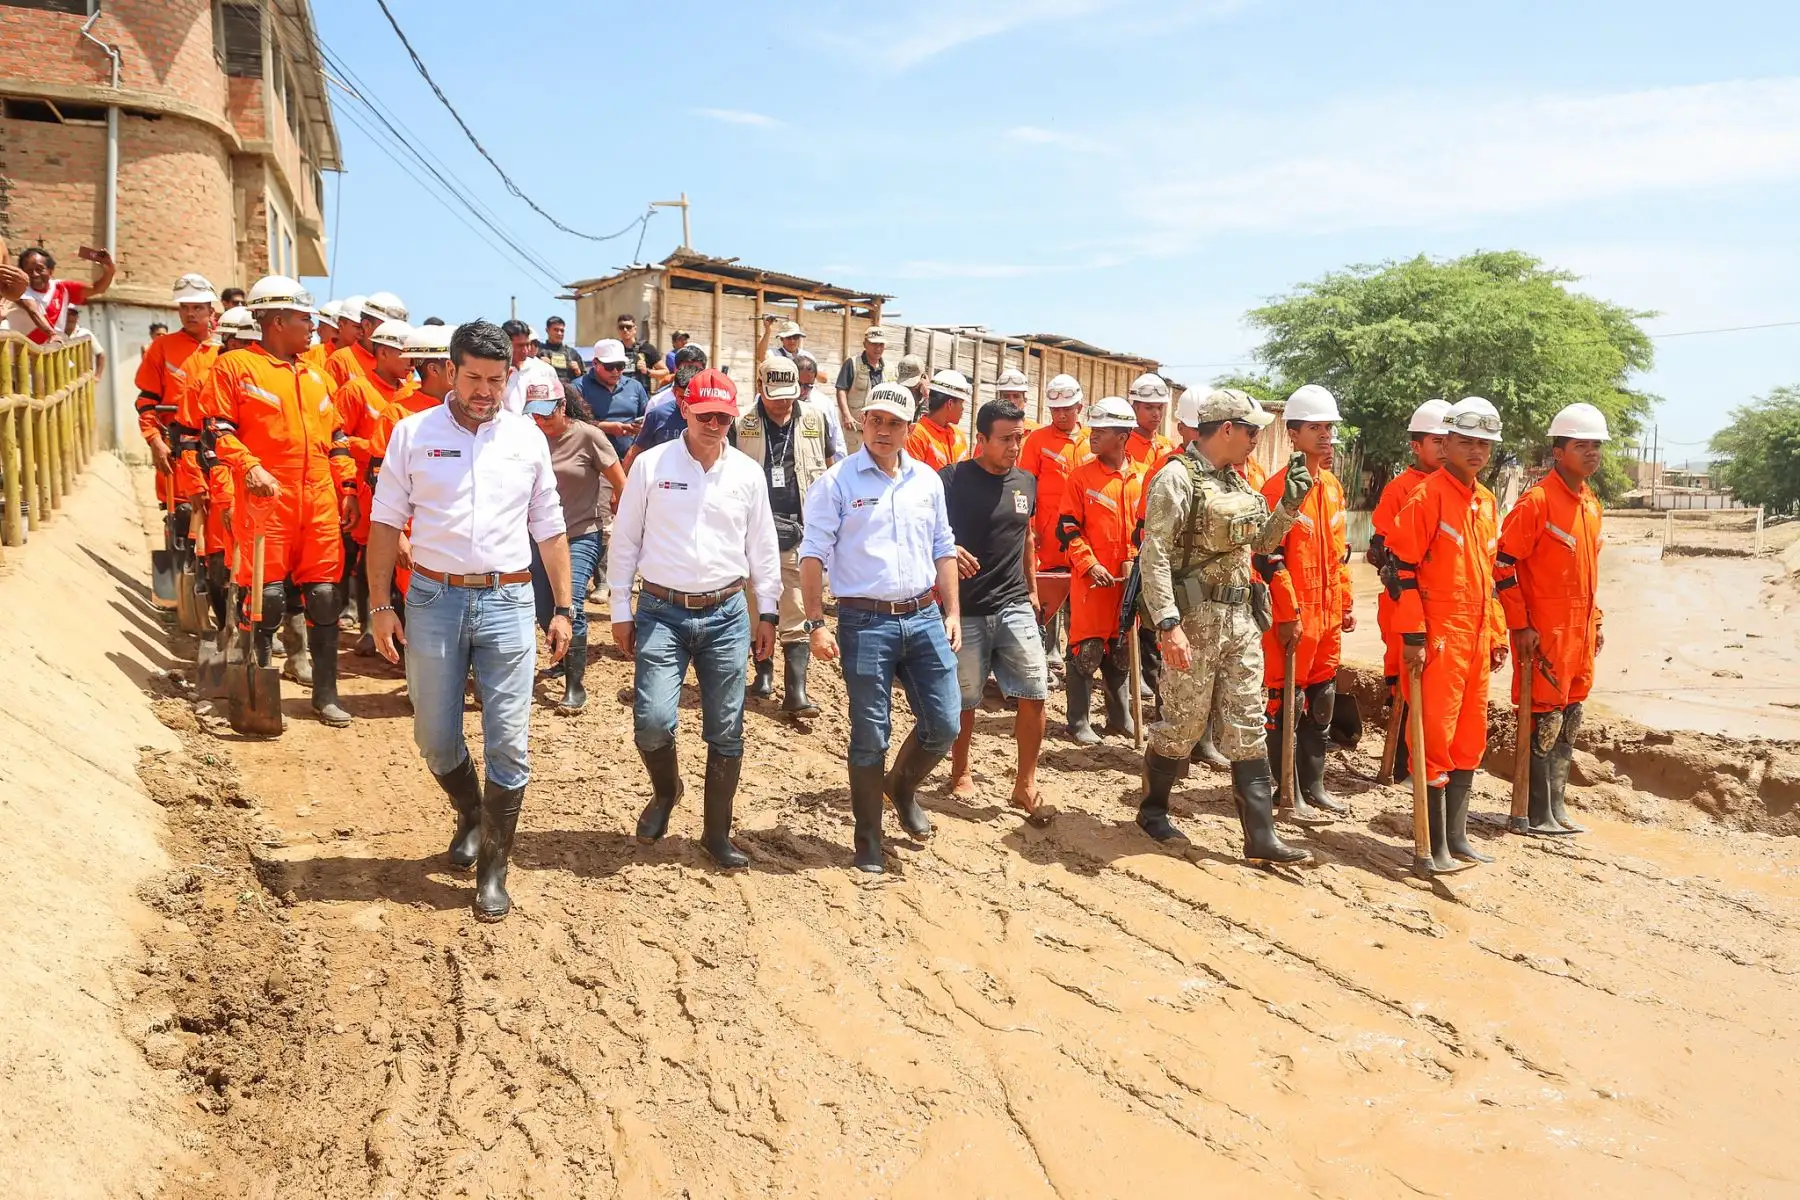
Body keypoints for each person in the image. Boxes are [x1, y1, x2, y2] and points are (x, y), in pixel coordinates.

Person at [367, 319, 573, 922]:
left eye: (496, 379)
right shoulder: (413, 434)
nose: (485, 391)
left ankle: (493, 867)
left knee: (508, 740)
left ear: (510, 377)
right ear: (450, 373)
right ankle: (471, 813)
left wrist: (563, 608)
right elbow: (385, 523)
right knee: (434, 737)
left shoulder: (526, 438)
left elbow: (550, 526)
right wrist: (380, 605)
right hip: (434, 599)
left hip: (509, 601)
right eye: (474, 378)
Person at [608, 368, 780, 870]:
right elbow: (626, 539)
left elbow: (762, 546)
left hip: (727, 614)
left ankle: (715, 833)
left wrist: (768, 611)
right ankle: (667, 791)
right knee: (653, 723)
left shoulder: (747, 473)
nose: (713, 426)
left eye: (723, 418)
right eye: (704, 415)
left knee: (726, 728)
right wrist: (619, 608)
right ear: (685, 409)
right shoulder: (652, 465)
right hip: (662, 611)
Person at [1138, 388, 1313, 865]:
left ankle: (1261, 836)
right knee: (1182, 724)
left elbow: (1262, 543)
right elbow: (1153, 555)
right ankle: (1152, 810)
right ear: (1228, 428)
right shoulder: (1176, 478)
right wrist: (1168, 624)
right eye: (1252, 430)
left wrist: (1289, 506)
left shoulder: (1238, 482)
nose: (1257, 439)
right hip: (1193, 622)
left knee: (1247, 723)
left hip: (1240, 620)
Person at [800, 382, 962, 874]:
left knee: (945, 722)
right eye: (875, 420)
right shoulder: (837, 482)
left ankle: (902, 787)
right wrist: (815, 622)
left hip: (924, 615)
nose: (883, 431)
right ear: (862, 422)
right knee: (871, 733)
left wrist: (952, 611)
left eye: (894, 423)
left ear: (910, 428)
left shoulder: (927, 481)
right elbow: (812, 555)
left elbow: (943, 547)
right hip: (864, 620)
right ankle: (868, 837)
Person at [202, 276, 359, 727]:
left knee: (325, 596)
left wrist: (348, 488)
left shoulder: (317, 376)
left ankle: (325, 694)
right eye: (304, 319)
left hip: (319, 499)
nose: (312, 327)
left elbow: (337, 438)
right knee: (266, 598)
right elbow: (216, 430)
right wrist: (249, 466)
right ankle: (258, 692)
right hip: (266, 499)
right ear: (276, 321)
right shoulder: (235, 367)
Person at [1383, 395, 1510, 875]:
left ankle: (1457, 838)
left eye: (1484, 445)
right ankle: (1430, 846)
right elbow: (1400, 569)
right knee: (1434, 737)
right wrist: (1413, 635)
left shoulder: (1485, 501)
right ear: (1447, 442)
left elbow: (1487, 578)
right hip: (1438, 636)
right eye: (1467, 442)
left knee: (1469, 737)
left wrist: (1495, 632)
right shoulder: (1428, 496)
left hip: (1474, 636)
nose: (1476, 452)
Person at [1495, 401, 1609, 837]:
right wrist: (1520, 624)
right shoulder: (1538, 501)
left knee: (1571, 714)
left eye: (1596, 445)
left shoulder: (1591, 503)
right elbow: (1503, 566)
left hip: (1579, 632)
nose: (1592, 452)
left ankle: (1557, 807)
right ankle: (1534, 810)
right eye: (1582, 445)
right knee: (1544, 718)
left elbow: (1588, 572)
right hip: (1544, 632)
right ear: (1558, 452)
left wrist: (1596, 621)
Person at [942, 399, 1049, 818]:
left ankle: (1025, 784)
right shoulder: (952, 480)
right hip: (966, 608)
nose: (1014, 447)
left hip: (1014, 604)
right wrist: (949, 549)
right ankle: (960, 771)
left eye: (1019, 438)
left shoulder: (1026, 482)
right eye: (1005, 439)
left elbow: (1027, 538)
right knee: (965, 697)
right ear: (981, 439)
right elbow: (928, 530)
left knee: (1035, 689)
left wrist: (1033, 591)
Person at [1257, 384, 1354, 822]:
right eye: (1315, 427)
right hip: (1293, 617)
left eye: (1328, 427)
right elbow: (1268, 559)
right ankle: (1287, 789)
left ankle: (1314, 786)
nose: (1325, 434)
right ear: (1292, 434)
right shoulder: (1278, 489)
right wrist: (1286, 613)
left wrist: (1345, 604)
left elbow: (1340, 555)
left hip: (1327, 615)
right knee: (1287, 703)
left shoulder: (1332, 488)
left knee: (1322, 699)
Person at [736, 355, 840, 716]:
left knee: (796, 605)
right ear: (760, 387)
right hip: (754, 530)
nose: (783, 403)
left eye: (789, 395)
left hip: (799, 529)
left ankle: (796, 692)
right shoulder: (741, 424)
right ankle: (763, 674)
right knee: (756, 604)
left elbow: (830, 469)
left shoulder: (815, 418)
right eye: (775, 396)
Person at [523, 391, 626, 715]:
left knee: (570, 606)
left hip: (581, 533)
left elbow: (620, 483)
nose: (540, 420)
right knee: (544, 607)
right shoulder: (528, 438)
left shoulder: (589, 437)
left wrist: (624, 525)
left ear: (563, 406)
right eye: (534, 414)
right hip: (539, 536)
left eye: (547, 413)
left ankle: (574, 685)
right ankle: (561, 654)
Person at [1367, 398, 1450, 783]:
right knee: (1405, 679)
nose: (1445, 447)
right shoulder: (1401, 489)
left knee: (1438, 687)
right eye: (1437, 440)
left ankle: (1428, 765)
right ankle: (1400, 767)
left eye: (1449, 440)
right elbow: (1379, 548)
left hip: (1443, 607)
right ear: (1417, 445)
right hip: (1404, 602)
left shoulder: (1460, 489)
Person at [1055, 398, 1145, 744]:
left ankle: (1119, 717)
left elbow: (1147, 529)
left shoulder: (1142, 479)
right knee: (1086, 648)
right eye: (1092, 429)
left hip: (1128, 581)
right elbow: (1067, 527)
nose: (1092, 436)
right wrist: (1089, 563)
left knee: (1121, 648)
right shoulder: (1081, 477)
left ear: (1122, 437)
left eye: (1102, 431)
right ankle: (1078, 720)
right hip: (1092, 581)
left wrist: (1140, 566)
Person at [336, 319, 418, 654]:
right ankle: (370, 627)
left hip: (400, 486)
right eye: (404, 353)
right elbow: (336, 438)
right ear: (383, 352)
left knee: (403, 563)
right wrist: (371, 449)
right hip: (365, 485)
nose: (411, 361)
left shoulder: (412, 393)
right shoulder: (356, 390)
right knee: (371, 555)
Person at [136, 273, 219, 586]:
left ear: (211, 310)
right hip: (176, 447)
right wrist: (154, 440)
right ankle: (176, 582)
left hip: (217, 447)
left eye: (197, 307)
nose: (190, 313)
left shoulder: (225, 349)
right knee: (182, 512)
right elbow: (146, 400)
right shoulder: (162, 348)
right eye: (184, 307)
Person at [5, 245, 114, 345]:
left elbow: (97, 289)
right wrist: (51, 334)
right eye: (29, 271)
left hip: (55, 353)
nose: (34, 274)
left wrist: (109, 270)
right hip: (25, 355)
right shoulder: (18, 290)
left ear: (50, 271)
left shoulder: (62, 288)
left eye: (39, 269)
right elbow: (33, 311)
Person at [625, 345, 708, 467]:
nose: (692, 375)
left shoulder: (715, 412)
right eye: (682, 398)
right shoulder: (657, 405)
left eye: (697, 370)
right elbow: (637, 449)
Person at [571, 338, 650, 457]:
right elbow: (571, 424)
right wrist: (603, 427)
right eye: (609, 366)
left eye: (620, 366)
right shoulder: (578, 387)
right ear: (595, 363)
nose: (615, 371)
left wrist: (640, 427)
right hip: (591, 460)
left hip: (629, 458)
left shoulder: (635, 386)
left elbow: (647, 418)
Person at [326, 292, 406, 389]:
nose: (394, 333)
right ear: (366, 325)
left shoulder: (401, 365)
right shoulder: (341, 361)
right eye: (387, 328)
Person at [834, 325, 889, 452]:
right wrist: (846, 416)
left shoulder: (888, 368)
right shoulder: (852, 363)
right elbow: (841, 390)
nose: (878, 348)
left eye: (881, 344)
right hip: (855, 428)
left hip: (879, 429)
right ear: (865, 344)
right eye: (874, 344)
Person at [907, 369, 971, 469]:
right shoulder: (917, 436)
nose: (963, 408)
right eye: (961, 403)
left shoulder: (959, 436)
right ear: (950, 404)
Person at [499, 318, 560, 416]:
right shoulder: (494, 372)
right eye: (520, 346)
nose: (525, 350)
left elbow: (557, 404)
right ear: (505, 344)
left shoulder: (544, 370)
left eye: (527, 344)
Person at [1124, 372, 1174, 469]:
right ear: (1134, 408)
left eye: (1160, 408)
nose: (1156, 414)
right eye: (1149, 407)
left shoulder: (1168, 446)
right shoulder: (1123, 447)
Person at [615, 313, 659, 391]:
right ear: (618, 330)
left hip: (640, 395)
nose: (625, 330)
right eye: (622, 327)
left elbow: (665, 372)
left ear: (635, 329)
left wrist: (647, 371)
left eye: (628, 327)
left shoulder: (647, 348)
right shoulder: (614, 349)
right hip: (619, 394)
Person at [537, 315, 584, 383]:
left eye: (562, 331)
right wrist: (538, 364)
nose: (559, 333)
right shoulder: (538, 351)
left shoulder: (572, 353)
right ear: (547, 330)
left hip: (568, 388)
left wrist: (578, 372)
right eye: (556, 330)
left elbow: (584, 380)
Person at [893, 354, 929, 420]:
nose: (907, 389)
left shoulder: (929, 398)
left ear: (923, 377)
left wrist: (926, 396)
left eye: (911, 386)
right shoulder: (896, 395)